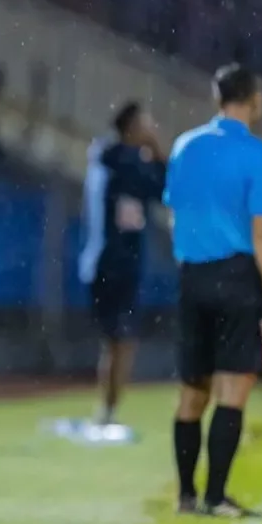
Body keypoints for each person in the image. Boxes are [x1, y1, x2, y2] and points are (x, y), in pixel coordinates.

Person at [164, 64, 262, 518]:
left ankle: (185, 497)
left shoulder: (184, 146)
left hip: (193, 276)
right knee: (232, 391)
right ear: (253, 99)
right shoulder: (257, 154)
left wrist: (191, 265)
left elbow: (174, 214)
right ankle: (215, 497)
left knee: (191, 392)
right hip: (236, 277)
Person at [77, 101, 166, 432]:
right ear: (132, 127)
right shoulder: (129, 163)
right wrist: (156, 150)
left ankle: (106, 409)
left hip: (100, 261)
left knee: (114, 341)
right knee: (123, 341)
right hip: (119, 264)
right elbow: (167, 187)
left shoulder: (105, 158)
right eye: (147, 122)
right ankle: (108, 409)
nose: (152, 127)